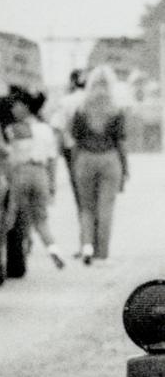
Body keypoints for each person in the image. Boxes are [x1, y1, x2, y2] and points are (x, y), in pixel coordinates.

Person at [68, 65, 128, 264]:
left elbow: (75, 138)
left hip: (85, 158)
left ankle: (87, 249)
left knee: (86, 208)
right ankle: (102, 253)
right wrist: (125, 168)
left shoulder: (82, 108)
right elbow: (120, 141)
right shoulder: (116, 109)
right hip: (110, 158)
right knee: (106, 208)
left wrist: (74, 164)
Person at [4, 91, 67, 269]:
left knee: (15, 217)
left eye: (16, 105)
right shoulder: (46, 129)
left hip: (21, 173)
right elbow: (52, 159)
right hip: (41, 174)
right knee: (41, 219)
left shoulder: (13, 130)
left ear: (25, 107)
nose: (13, 109)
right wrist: (52, 184)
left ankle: (16, 250)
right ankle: (53, 249)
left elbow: (8, 156)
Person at [48, 68, 88, 212]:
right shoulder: (94, 100)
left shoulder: (65, 101)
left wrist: (55, 154)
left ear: (72, 82)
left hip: (72, 151)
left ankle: (84, 219)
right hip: (95, 150)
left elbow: (57, 127)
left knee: (79, 191)